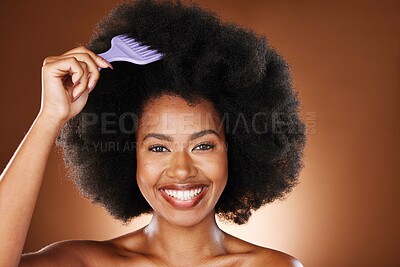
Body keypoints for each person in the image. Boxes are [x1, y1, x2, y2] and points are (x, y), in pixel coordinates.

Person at [0, 0, 306, 266]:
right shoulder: (87, 263)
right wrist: (49, 117)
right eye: (158, 148)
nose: (182, 171)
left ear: (235, 150)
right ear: (127, 154)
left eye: (203, 146)